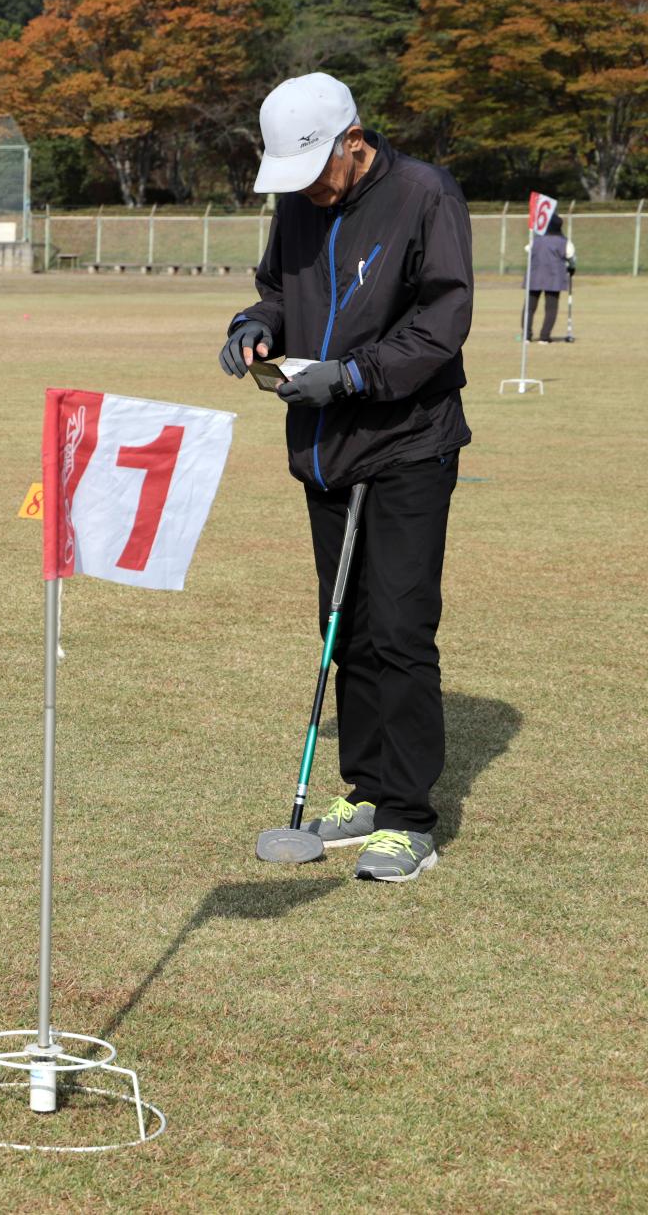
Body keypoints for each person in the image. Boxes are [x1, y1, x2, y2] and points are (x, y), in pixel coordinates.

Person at [218, 71, 472, 884]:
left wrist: (355, 375)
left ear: (353, 142)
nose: (307, 190)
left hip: (407, 444)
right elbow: (277, 291)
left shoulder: (425, 195)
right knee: (346, 627)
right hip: (326, 449)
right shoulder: (299, 202)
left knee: (398, 628)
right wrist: (254, 326)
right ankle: (366, 788)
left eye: (316, 169)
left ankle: (407, 817)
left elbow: (443, 321)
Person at [524, 212, 574, 344]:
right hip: (554, 279)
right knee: (551, 308)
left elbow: (528, 249)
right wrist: (572, 268)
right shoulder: (564, 241)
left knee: (529, 307)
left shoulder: (536, 239)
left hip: (534, 277)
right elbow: (571, 255)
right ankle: (544, 337)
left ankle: (526, 336)